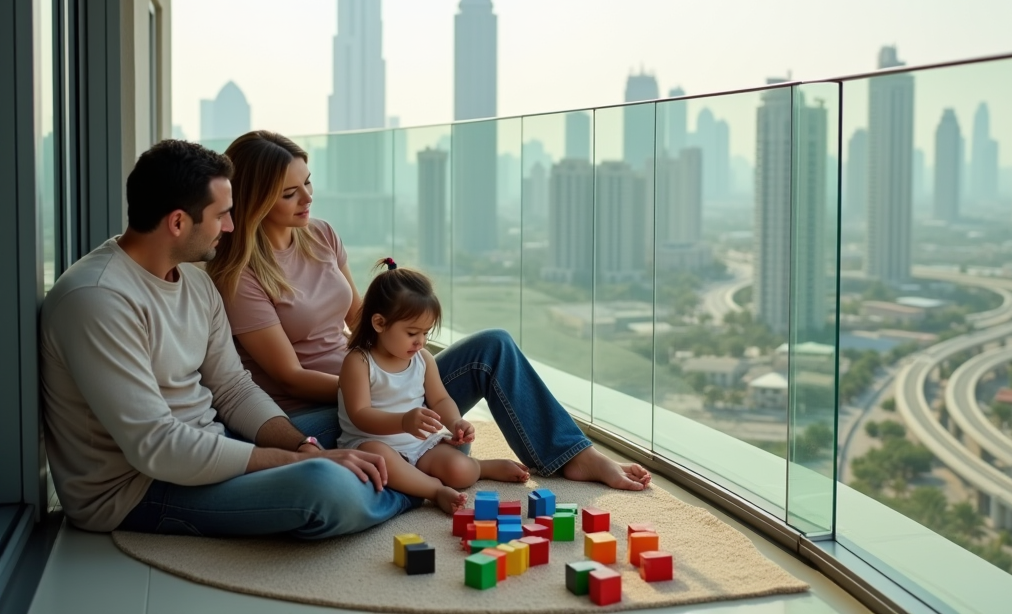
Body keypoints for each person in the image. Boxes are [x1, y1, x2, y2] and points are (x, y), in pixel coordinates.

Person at [208, 131, 651, 496]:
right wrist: (375, 390)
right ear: (257, 199)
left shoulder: (321, 235)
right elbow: (287, 375)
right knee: (386, 456)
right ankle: (423, 482)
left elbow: (363, 322)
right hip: (320, 413)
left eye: (308, 182)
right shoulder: (239, 275)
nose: (307, 197)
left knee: (491, 347)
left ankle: (573, 456)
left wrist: (406, 370)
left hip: (379, 386)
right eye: (290, 192)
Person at [40, 140, 404, 538]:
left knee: (383, 422)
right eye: (222, 215)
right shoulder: (97, 299)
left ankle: (404, 471)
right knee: (323, 487)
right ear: (178, 222)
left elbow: (232, 389)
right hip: (139, 488)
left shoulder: (194, 280)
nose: (231, 227)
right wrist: (293, 463)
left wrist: (304, 447)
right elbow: (157, 445)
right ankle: (410, 488)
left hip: (214, 444)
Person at [338, 260, 529, 513]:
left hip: (418, 443)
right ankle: (433, 490)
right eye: (412, 333)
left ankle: (481, 467)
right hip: (370, 441)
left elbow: (440, 400)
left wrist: (454, 422)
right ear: (379, 323)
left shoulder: (422, 359)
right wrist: (403, 422)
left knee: (459, 470)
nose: (420, 342)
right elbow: (360, 415)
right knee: (381, 460)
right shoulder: (359, 361)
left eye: (426, 333)